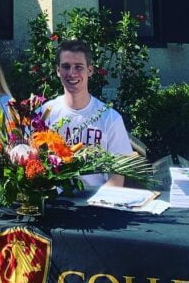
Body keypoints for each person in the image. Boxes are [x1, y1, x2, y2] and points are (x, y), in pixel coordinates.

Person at [41, 39, 133, 189]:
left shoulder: (110, 118)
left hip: (97, 204)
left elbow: (117, 176)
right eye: (66, 66)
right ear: (58, 70)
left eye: (78, 67)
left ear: (90, 70)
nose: (71, 73)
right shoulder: (45, 114)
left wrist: (98, 204)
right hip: (54, 203)